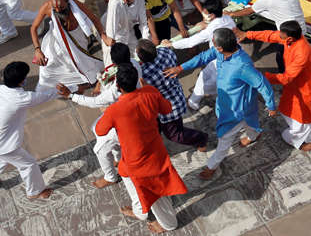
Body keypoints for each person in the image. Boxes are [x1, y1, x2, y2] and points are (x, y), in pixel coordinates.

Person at [165, 27, 276, 179]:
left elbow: (263, 84)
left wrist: (271, 105)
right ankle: (253, 135)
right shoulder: (221, 52)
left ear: (220, 47)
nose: (211, 45)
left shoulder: (242, 65)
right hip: (225, 102)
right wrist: (180, 68)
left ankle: (212, 166)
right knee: (249, 123)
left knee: (224, 140)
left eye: (213, 42)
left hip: (237, 110)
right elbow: (203, 57)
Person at [93, 64, 189, 232]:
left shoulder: (115, 109)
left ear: (118, 87)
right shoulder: (150, 93)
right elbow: (166, 108)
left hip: (138, 160)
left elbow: (100, 130)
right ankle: (140, 210)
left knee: (155, 193)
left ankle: (168, 224)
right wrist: (152, 92)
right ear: (137, 80)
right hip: (154, 148)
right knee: (124, 172)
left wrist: (108, 112)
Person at [241, 20, 311, 151]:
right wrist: (247, 34)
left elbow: (286, 77)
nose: (279, 36)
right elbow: (270, 35)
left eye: (282, 35)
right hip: (295, 86)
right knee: (293, 113)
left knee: (302, 119)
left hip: (306, 91)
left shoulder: (302, 52)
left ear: (290, 38)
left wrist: (262, 77)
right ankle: (310, 135)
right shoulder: (288, 39)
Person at [0, 61, 57, 199]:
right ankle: (35, 192)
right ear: (22, 81)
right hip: (2, 144)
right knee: (28, 164)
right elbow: (47, 95)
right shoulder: (22, 98)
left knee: (4, 158)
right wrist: (73, 88)